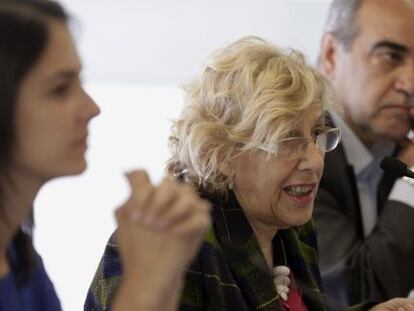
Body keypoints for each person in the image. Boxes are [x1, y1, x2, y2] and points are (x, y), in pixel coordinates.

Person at [86, 36, 414, 311]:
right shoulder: (171, 243)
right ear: (222, 152)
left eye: (317, 135)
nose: (314, 161)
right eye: (287, 140)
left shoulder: (290, 228)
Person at [0, 0, 210, 310]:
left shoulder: (20, 259)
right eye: (60, 89)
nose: (92, 108)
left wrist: (164, 271)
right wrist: (142, 282)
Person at [316, 0, 414, 309]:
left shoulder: (398, 151)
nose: (411, 84)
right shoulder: (298, 155)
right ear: (331, 55)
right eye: (390, 56)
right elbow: (357, 294)